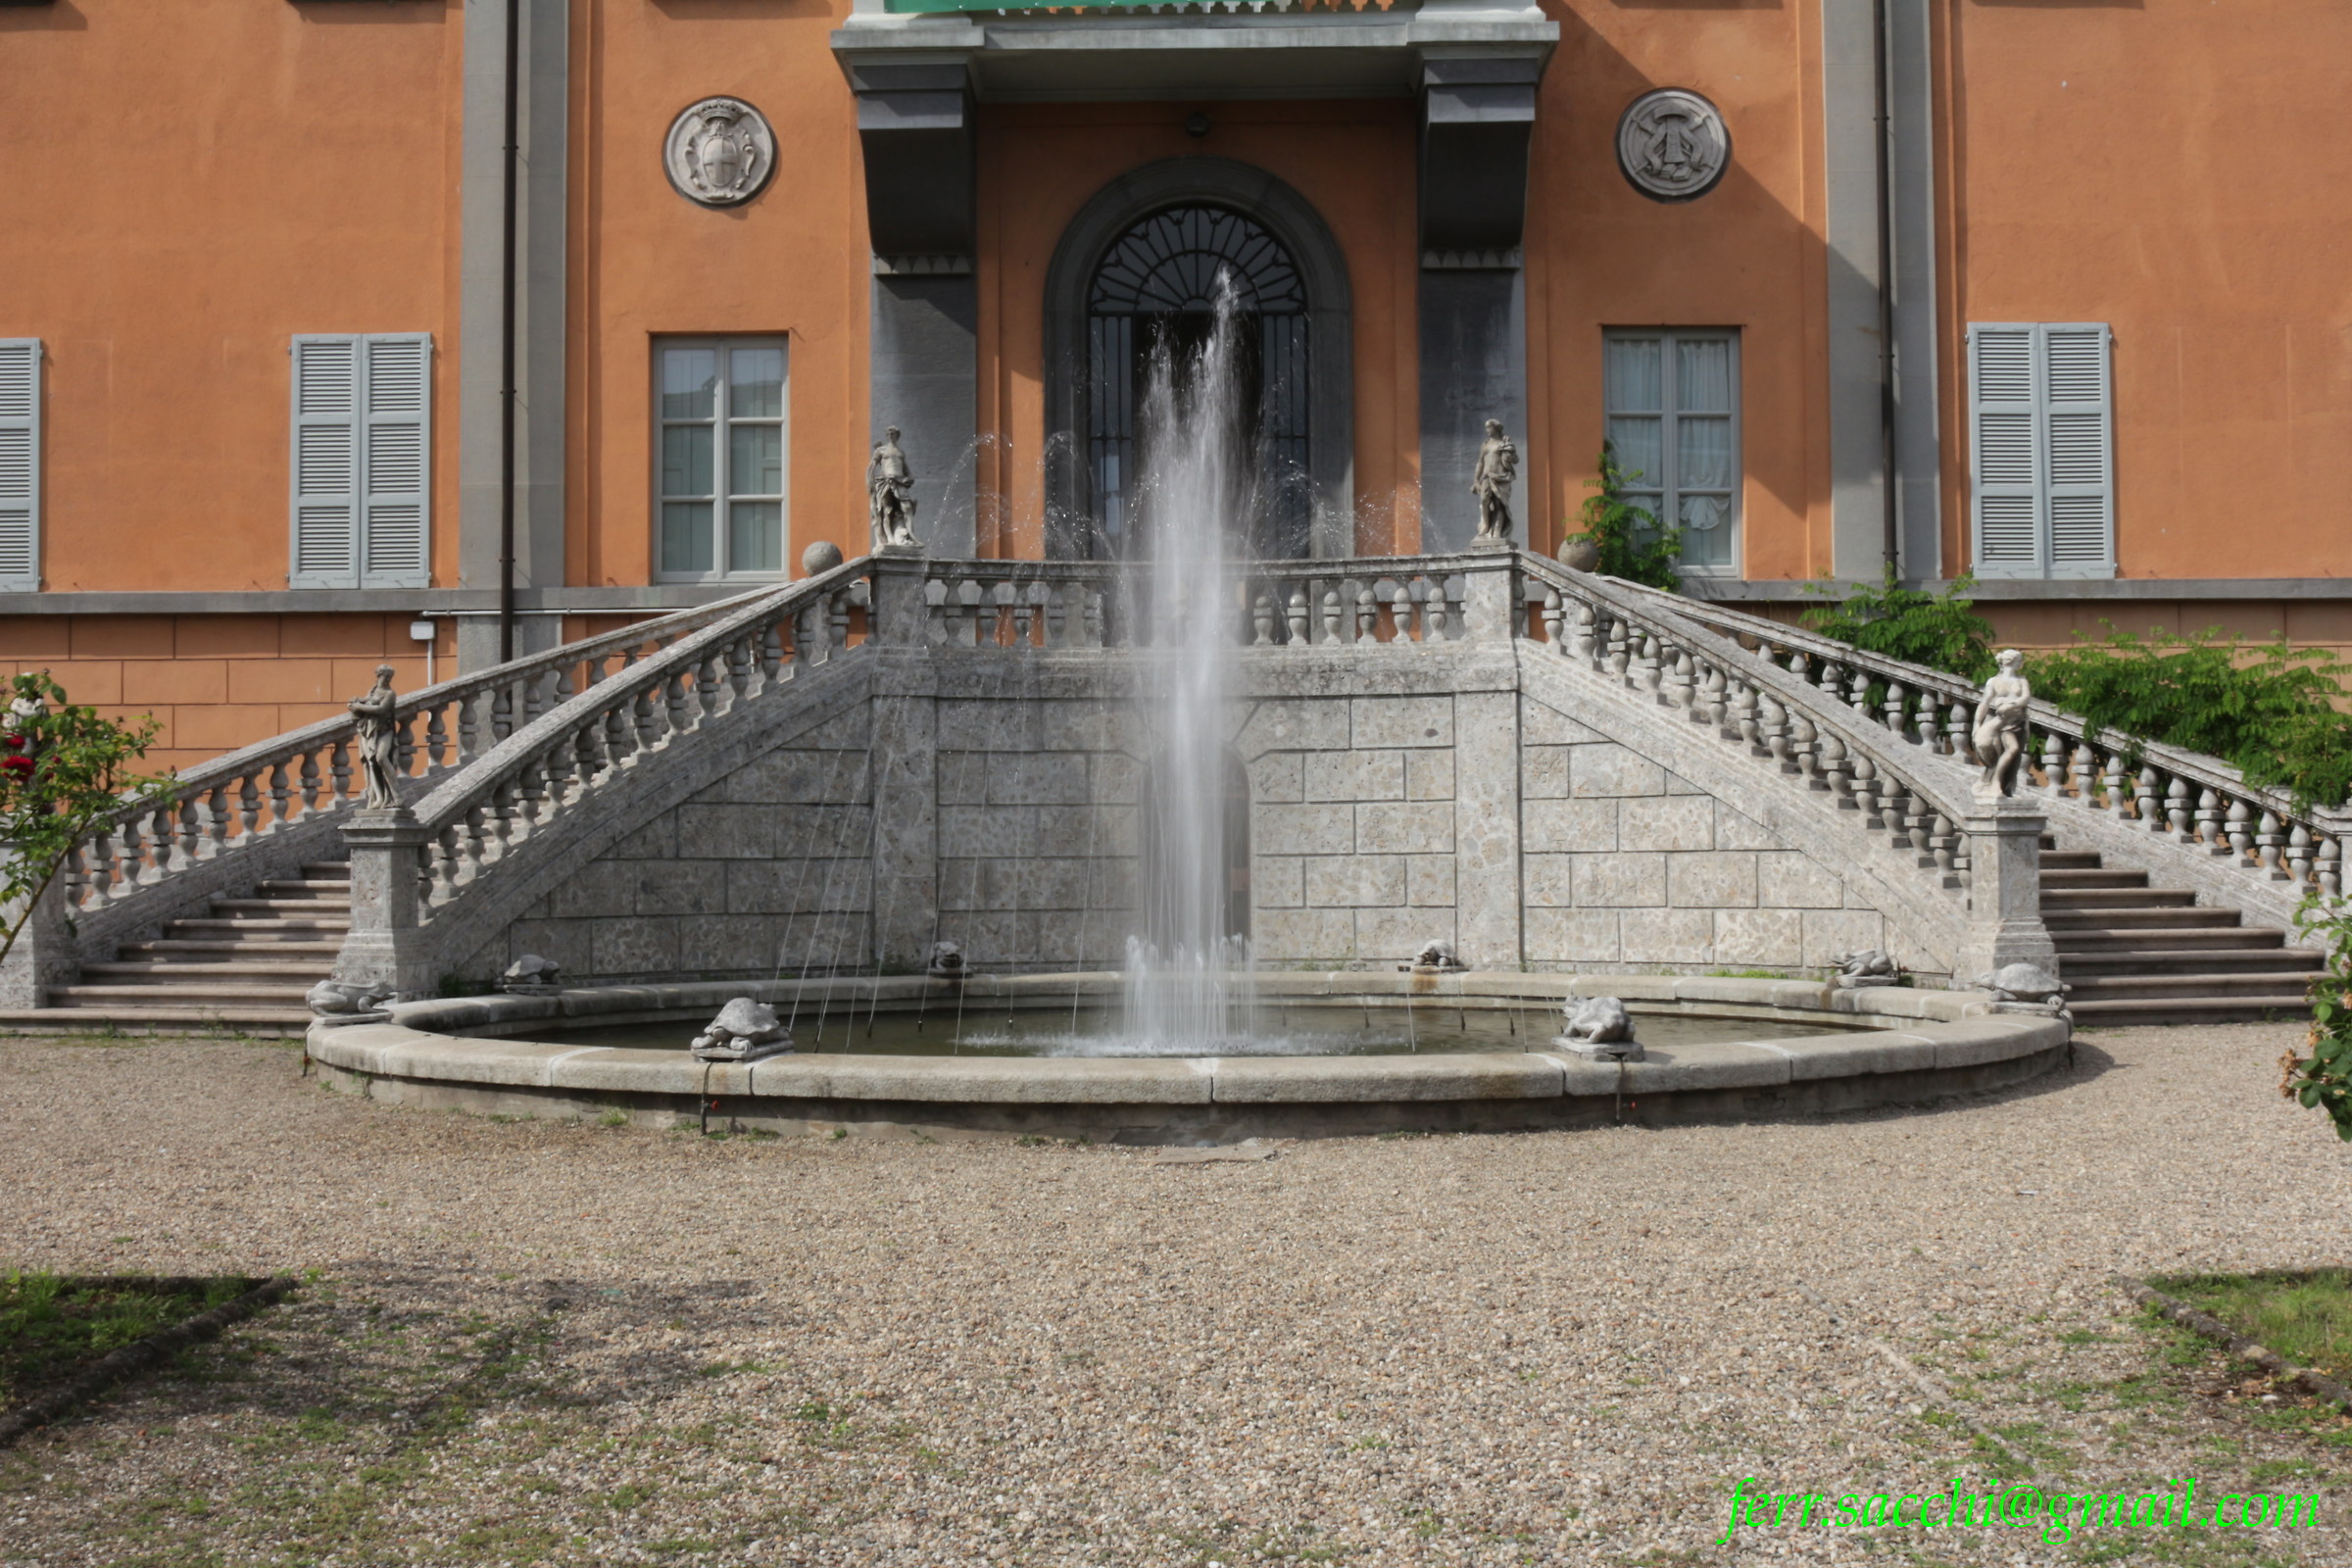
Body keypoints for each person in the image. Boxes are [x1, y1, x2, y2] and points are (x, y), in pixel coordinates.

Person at [1971, 648, 2033, 797]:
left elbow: (2026, 698)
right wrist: (1976, 724)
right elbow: (1984, 703)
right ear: (2011, 661)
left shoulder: (2022, 680)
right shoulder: (1994, 681)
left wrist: (2010, 704)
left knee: (2013, 757)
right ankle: (1995, 782)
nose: (2021, 663)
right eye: (2019, 660)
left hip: (2017, 721)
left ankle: (1999, 785)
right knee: (2012, 749)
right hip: (2001, 722)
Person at [348, 664, 401, 810]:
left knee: (381, 758)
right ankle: (379, 798)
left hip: (385, 731)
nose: (388, 679)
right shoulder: (373, 691)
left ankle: (396, 796)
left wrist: (359, 707)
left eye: (390, 676)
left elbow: (381, 709)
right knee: (372, 763)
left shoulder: (390, 694)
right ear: (379, 675)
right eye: (386, 675)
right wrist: (358, 701)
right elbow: (369, 701)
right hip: (371, 731)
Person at [868, 427, 918, 551]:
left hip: (900, 481)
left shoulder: (900, 452)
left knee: (907, 507)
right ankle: (889, 538)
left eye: (893, 433)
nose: (890, 435)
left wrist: (910, 477)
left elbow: (906, 469)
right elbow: (871, 468)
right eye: (888, 433)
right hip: (886, 481)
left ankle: (911, 535)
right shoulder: (881, 450)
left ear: (897, 435)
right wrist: (870, 483)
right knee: (887, 510)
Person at [1470, 418, 1518, 542]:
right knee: (1484, 500)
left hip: (1501, 478)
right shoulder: (1485, 444)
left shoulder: (1504, 442)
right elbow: (1480, 462)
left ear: (1495, 429)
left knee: (1499, 504)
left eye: (1489, 428)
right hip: (1487, 477)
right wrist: (1476, 480)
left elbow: (1515, 460)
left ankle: (1497, 530)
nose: (1487, 431)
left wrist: (1509, 450)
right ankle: (1485, 525)